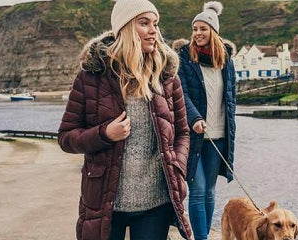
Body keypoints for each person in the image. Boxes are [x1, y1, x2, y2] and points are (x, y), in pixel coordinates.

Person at [57, 0, 193, 239]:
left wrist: (177, 167)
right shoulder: (91, 77)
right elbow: (66, 138)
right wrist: (104, 134)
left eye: (155, 24)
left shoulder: (167, 77)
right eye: (144, 23)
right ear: (125, 28)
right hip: (105, 202)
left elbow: (182, 132)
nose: (153, 30)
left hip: (155, 203)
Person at [176, 1, 236, 240]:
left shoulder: (226, 62)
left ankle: (204, 236)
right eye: (195, 29)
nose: (198, 33)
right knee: (198, 190)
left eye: (203, 28)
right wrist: (195, 118)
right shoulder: (184, 58)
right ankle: (200, 238)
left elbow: (230, 98)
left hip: (219, 136)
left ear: (214, 31)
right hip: (194, 135)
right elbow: (182, 94)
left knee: (210, 192)